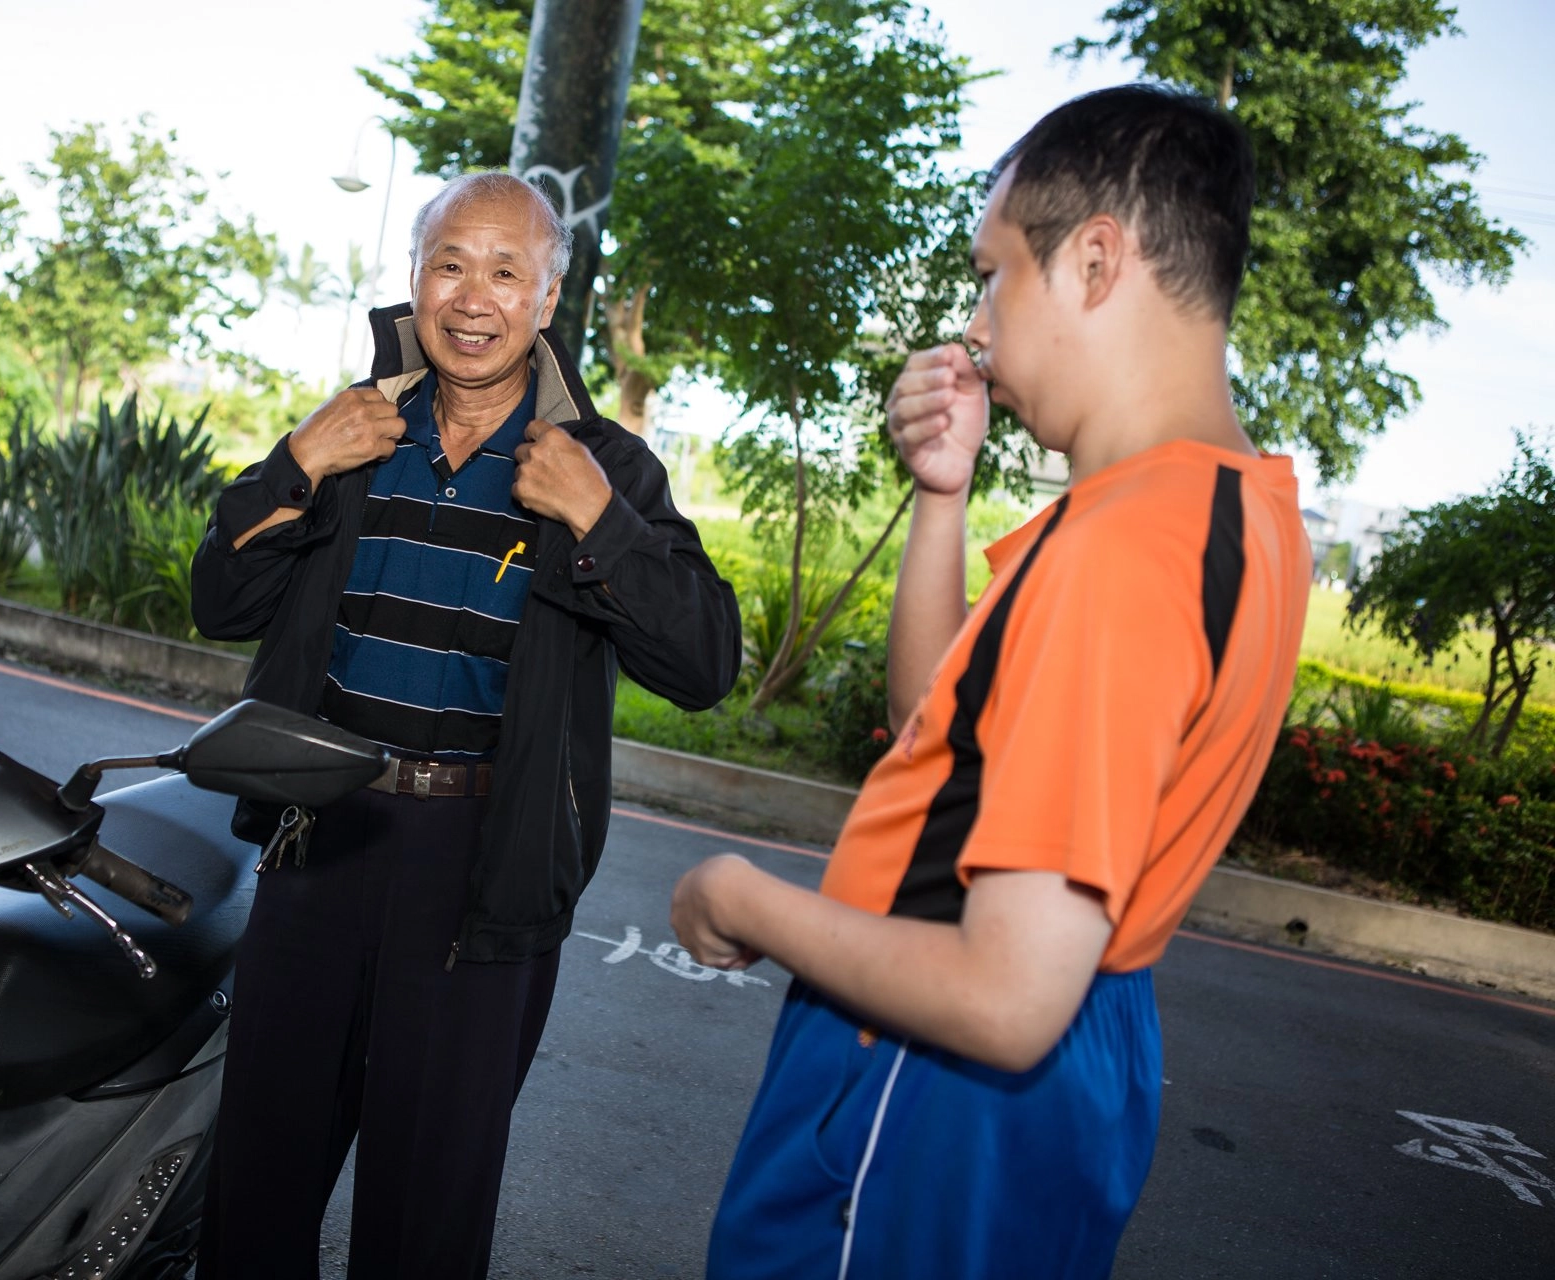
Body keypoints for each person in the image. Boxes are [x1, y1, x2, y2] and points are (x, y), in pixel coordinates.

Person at [669, 85, 1311, 1278]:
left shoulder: (1123, 555)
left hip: (928, 1066)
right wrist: (943, 494)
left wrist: (740, 894)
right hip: (1076, 1051)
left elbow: (1007, 992)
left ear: (1096, 261)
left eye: (994, 276)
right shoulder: (1233, 512)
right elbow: (950, 731)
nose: (974, 330)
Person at [191, 171, 739, 1279]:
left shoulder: (604, 465)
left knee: (424, 1213)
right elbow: (220, 600)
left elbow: (702, 663)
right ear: (414, 278)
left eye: (505, 270)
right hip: (319, 837)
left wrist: (596, 517)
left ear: (547, 297)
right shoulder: (354, 430)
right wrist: (296, 462)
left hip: (480, 866)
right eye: (451, 263)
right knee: (255, 1183)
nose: (473, 296)